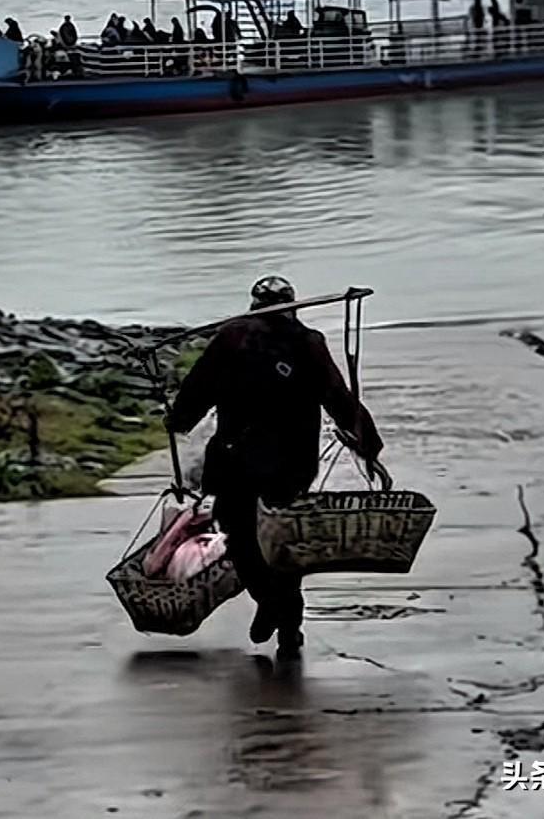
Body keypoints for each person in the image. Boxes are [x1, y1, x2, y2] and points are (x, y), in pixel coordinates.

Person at [166, 276, 390, 661]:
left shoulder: (232, 336)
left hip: (237, 460)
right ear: (292, 306)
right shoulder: (309, 342)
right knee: (284, 541)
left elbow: (199, 385)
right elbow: (338, 396)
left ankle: (269, 599)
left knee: (239, 536)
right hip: (292, 463)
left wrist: (179, 419)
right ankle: (288, 621)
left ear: (254, 304)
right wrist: (368, 446)